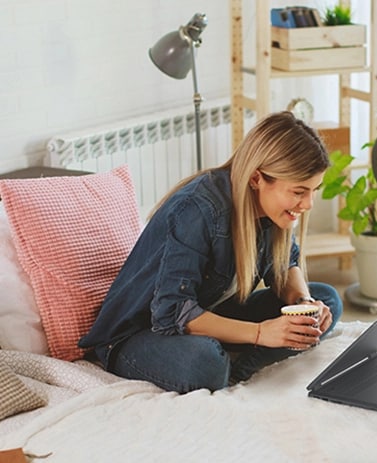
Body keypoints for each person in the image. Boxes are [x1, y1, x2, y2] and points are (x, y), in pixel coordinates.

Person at [79, 111, 343, 393]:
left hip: (211, 310)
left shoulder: (272, 210)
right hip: (141, 334)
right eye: (299, 192)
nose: (309, 203)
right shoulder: (198, 209)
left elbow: (285, 262)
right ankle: (226, 365)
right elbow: (172, 313)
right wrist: (260, 333)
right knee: (205, 361)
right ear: (257, 179)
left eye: (314, 190)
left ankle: (239, 369)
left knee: (327, 300)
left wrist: (304, 303)